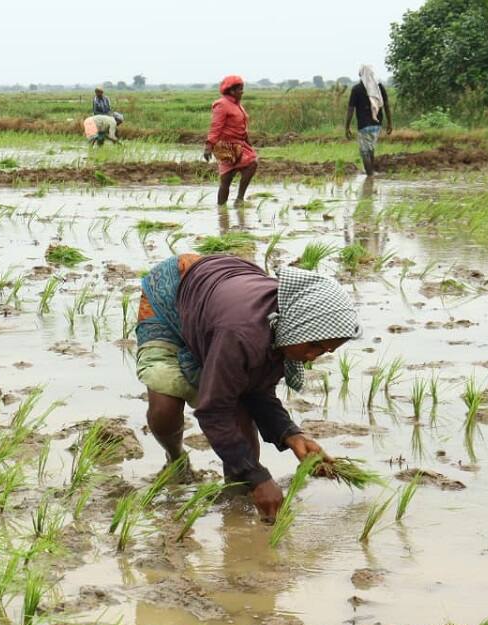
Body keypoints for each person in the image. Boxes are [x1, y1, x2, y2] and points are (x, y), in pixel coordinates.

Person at [134, 253, 362, 518]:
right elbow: (213, 410)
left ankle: (237, 501)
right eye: (314, 346)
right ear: (298, 327)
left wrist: (291, 435)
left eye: (325, 351)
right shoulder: (243, 335)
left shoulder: (285, 331)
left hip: (218, 304)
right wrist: (257, 476)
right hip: (173, 294)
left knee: (242, 417)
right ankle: (176, 460)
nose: (313, 357)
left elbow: (256, 391)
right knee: (165, 405)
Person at [204, 75, 257, 206]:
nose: (242, 92)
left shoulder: (237, 105)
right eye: (240, 89)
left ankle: (236, 201)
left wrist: (249, 143)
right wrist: (209, 146)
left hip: (240, 145)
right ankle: (223, 208)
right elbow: (216, 126)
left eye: (242, 88)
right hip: (226, 147)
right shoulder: (222, 105)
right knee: (226, 180)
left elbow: (242, 127)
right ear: (231, 91)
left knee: (252, 163)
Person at [345, 65, 393, 177]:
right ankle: (371, 173)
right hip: (377, 124)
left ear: (361, 75)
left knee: (365, 152)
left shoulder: (356, 89)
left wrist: (347, 127)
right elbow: (386, 106)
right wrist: (390, 123)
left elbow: (350, 109)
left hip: (363, 125)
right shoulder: (379, 87)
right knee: (370, 149)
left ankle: (370, 177)